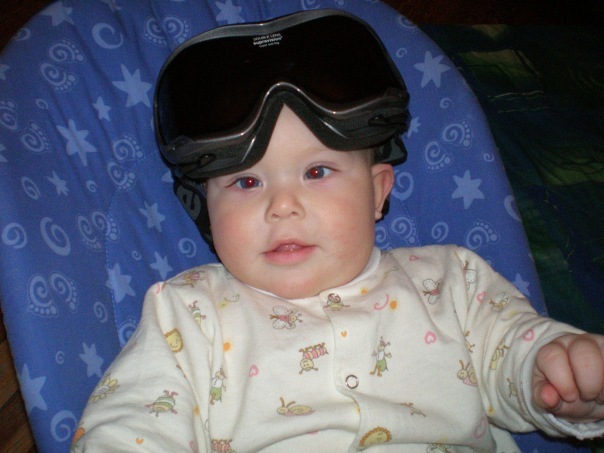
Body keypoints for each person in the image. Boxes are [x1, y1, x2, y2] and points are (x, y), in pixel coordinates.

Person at [73, 9, 604, 452]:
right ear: (204, 210)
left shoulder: (451, 280)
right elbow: (134, 421)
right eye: (247, 182)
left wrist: (553, 368)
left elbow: (510, 346)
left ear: (377, 191)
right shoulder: (188, 312)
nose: (283, 206)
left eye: (317, 171)